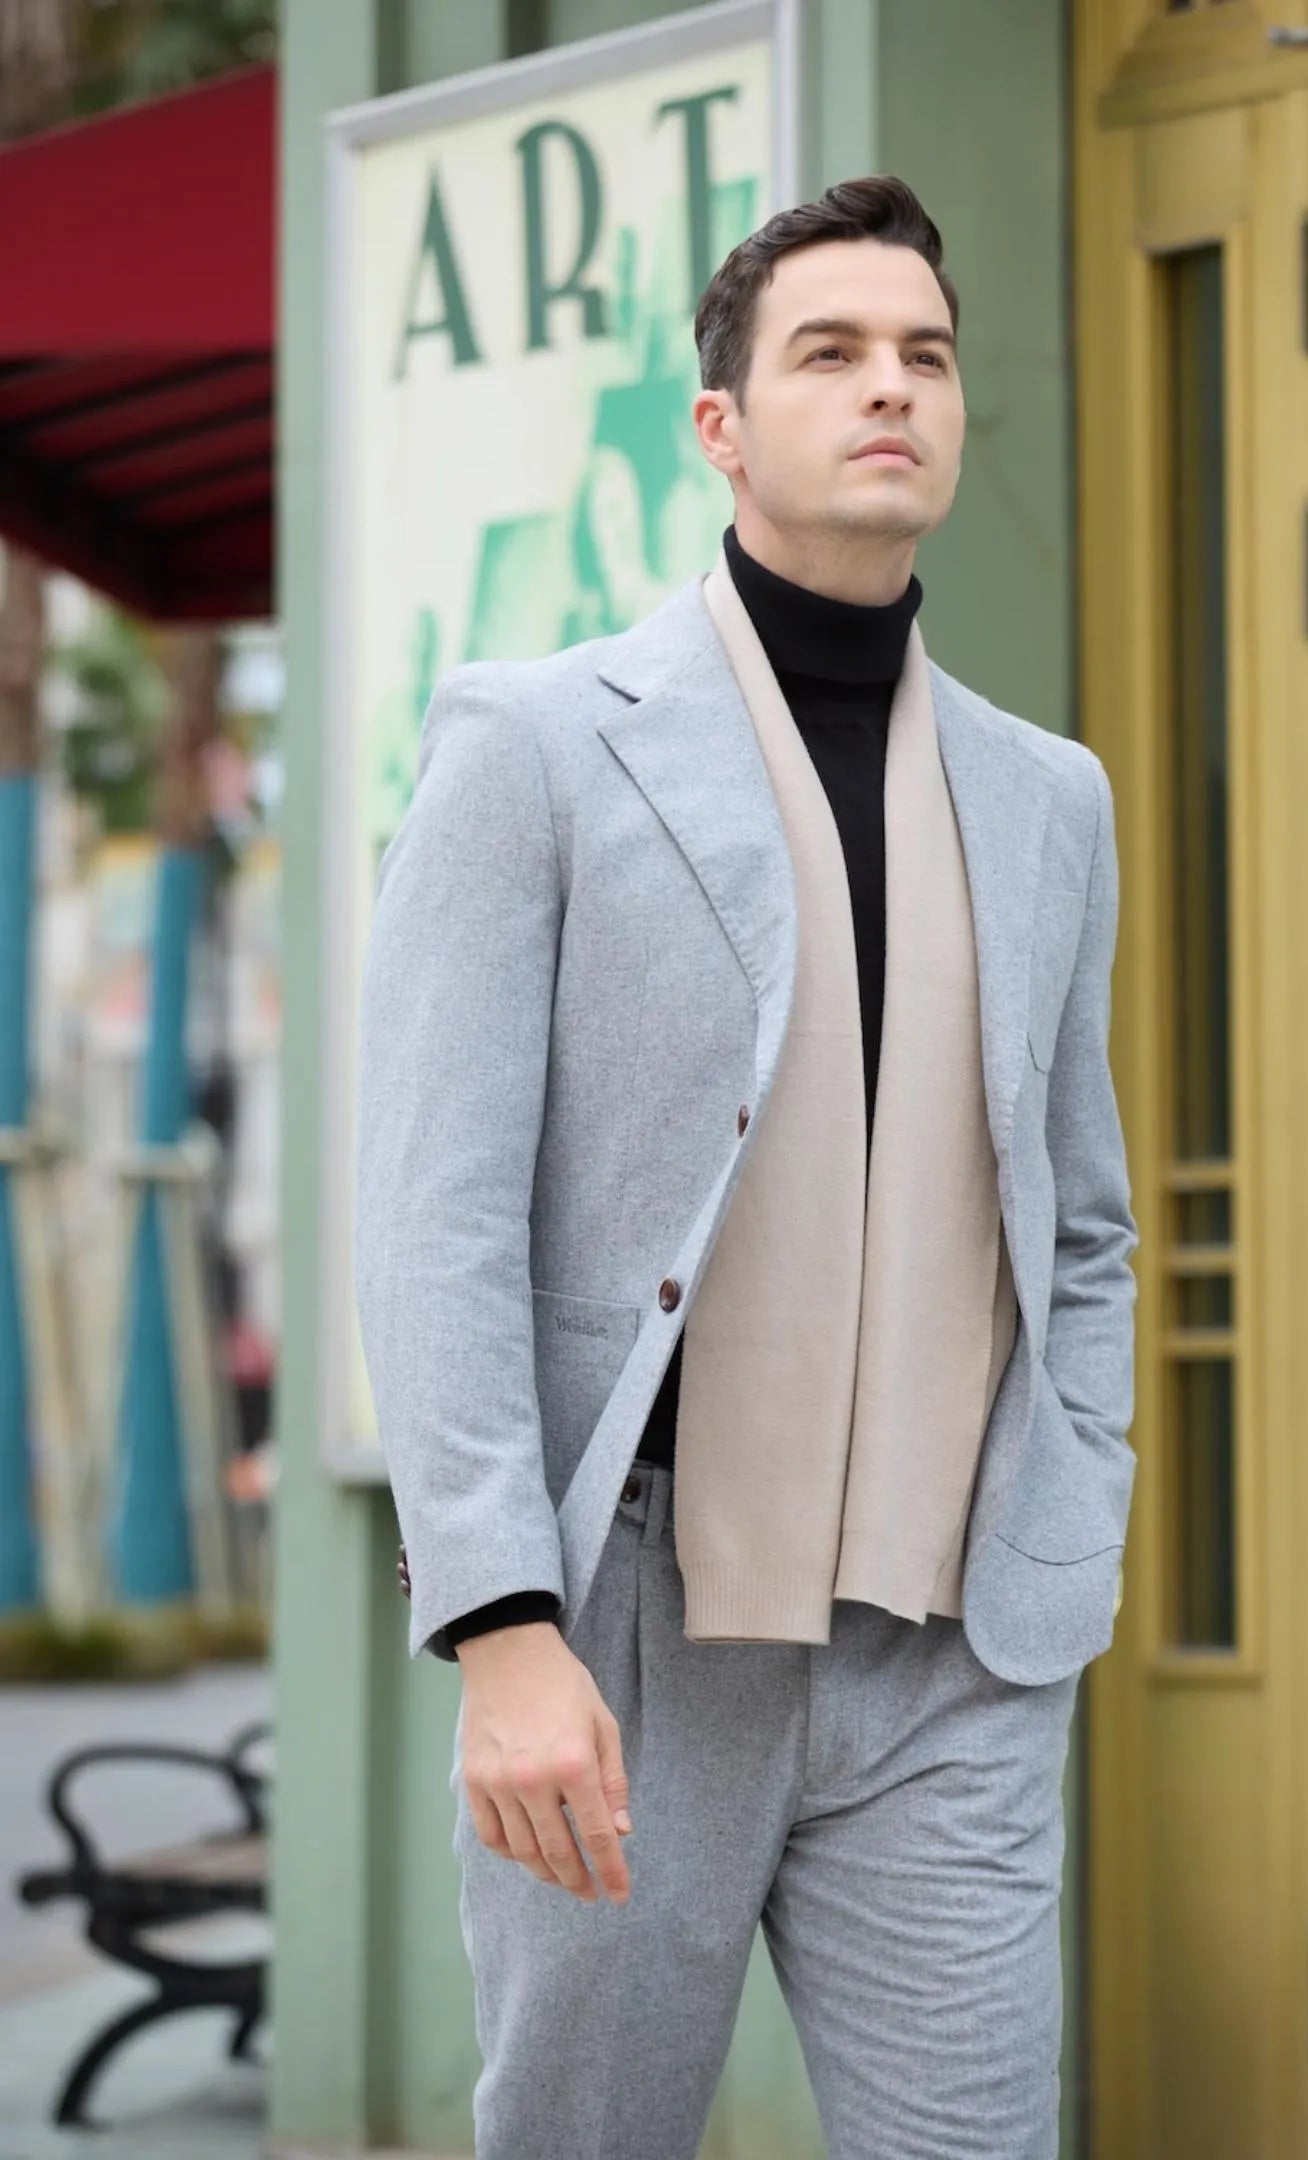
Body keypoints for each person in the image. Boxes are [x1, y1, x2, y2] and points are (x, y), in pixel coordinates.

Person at [354, 175, 1138, 2160]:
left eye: (927, 357)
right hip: (626, 1629)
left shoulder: (1051, 801)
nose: (895, 390)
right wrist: (501, 1624)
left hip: (952, 1647)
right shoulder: (530, 745)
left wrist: (1075, 1508)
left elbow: (1084, 1217)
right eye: (835, 353)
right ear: (721, 427)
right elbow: (431, 1218)